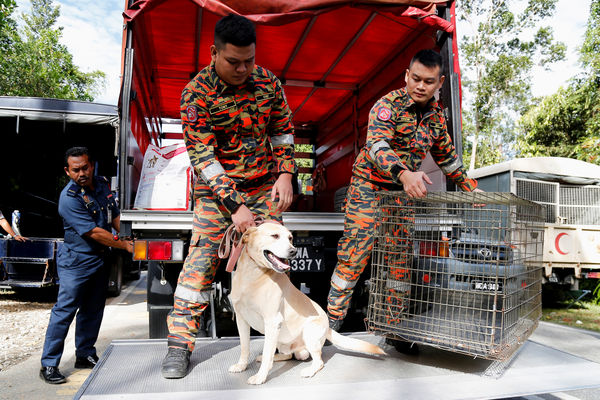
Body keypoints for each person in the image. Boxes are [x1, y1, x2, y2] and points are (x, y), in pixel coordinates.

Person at [161, 14, 296, 379]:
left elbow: (283, 131)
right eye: (234, 61)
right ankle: (178, 346)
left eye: (249, 60)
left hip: (264, 188)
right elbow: (204, 159)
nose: (243, 68)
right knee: (200, 266)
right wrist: (234, 205)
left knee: (275, 263)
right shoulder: (196, 94)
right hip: (216, 193)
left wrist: (285, 174)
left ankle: (284, 338)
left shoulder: (268, 83)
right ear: (213, 53)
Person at [326, 49, 480, 345]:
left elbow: (448, 158)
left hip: (401, 194)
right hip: (369, 187)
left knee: (398, 262)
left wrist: (471, 187)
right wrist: (404, 173)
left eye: (429, 81)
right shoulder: (387, 106)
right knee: (354, 256)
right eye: (416, 78)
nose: (421, 86)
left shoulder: (436, 119)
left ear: (440, 82)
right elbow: (377, 146)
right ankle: (328, 325)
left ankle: (392, 328)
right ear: (406, 76)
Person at [39, 147, 133, 384]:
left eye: (85, 167)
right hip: (76, 262)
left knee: (93, 309)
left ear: (92, 166)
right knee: (64, 312)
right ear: (67, 171)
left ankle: (85, 354)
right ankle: (49, 364)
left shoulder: (101, 184)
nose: (81, 173)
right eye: (76, 169)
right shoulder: (69, 198)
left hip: (100, 259)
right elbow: (93, 232)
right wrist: (124, 245)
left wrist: (127, 234)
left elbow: (113, 214)